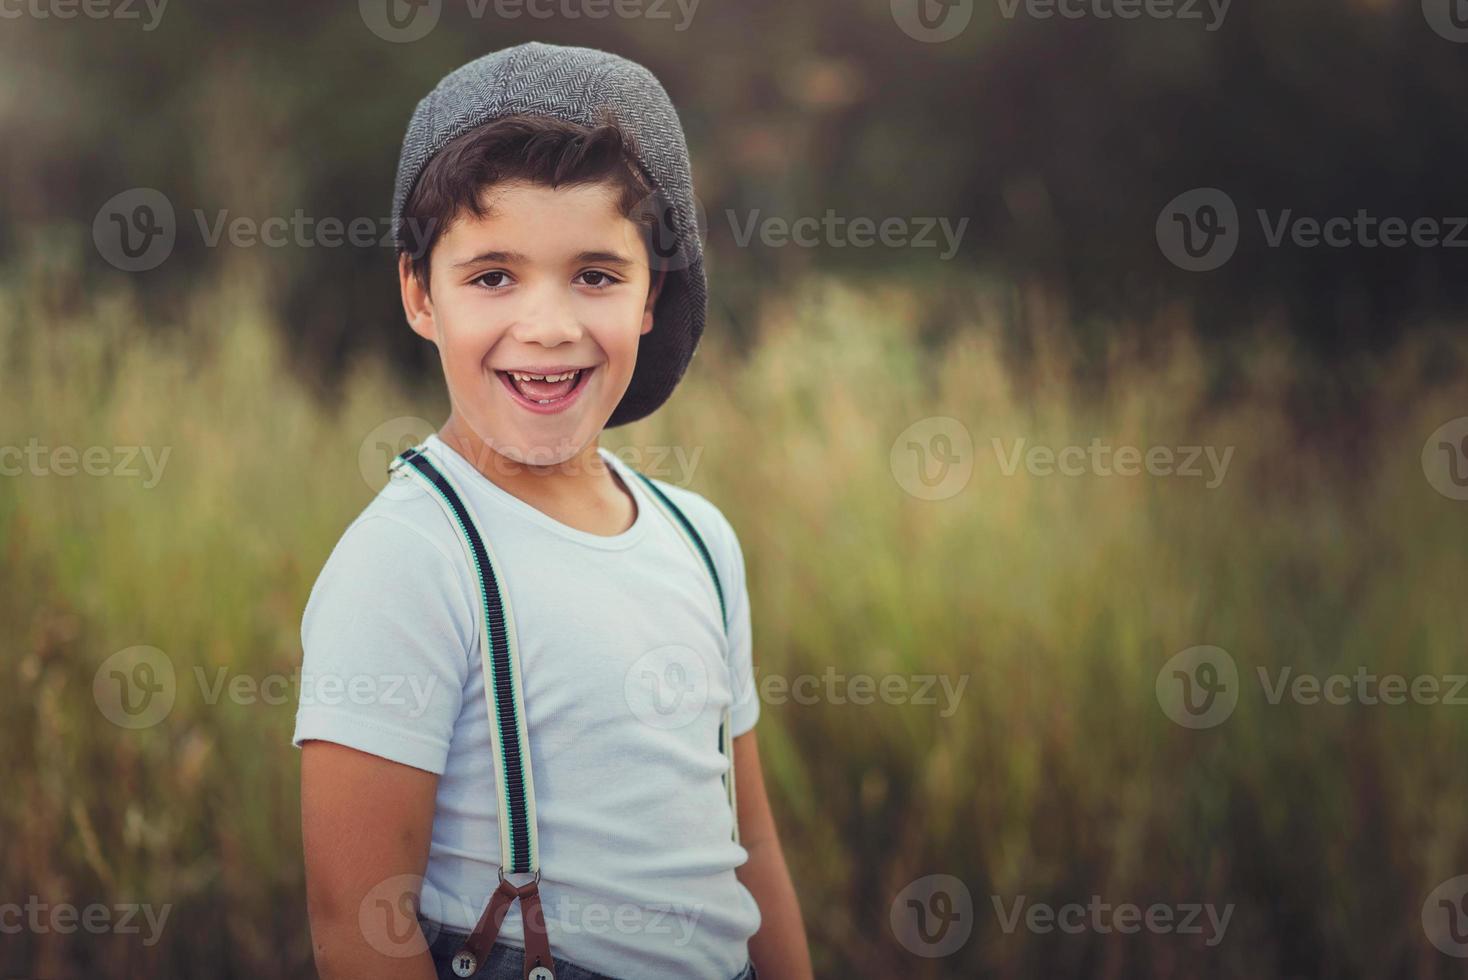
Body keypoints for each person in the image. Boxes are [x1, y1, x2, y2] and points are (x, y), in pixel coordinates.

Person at [292, 41, 812, 980]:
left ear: (653, 294)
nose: (549, 326)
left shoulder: (700, 539)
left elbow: (753, 852)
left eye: (596, 275)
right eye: (492, 276)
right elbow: (355, 918)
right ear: (419, 294)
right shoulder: (409, 560)